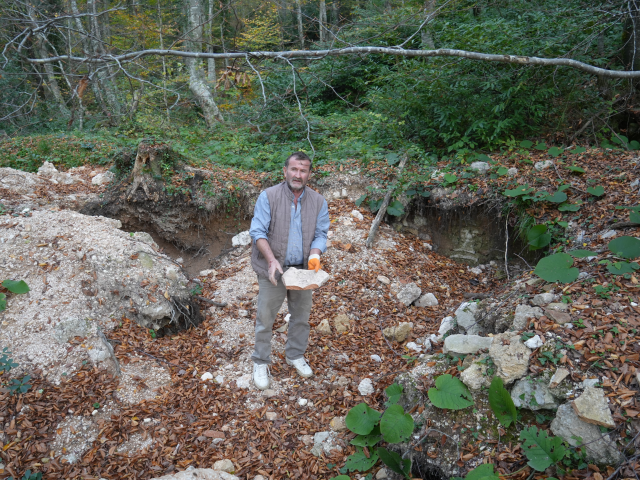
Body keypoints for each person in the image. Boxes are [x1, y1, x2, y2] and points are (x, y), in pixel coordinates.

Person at [249, 151, 330, 390]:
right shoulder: (268, 196)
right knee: (265, 317)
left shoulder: (319, 201)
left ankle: (295, 354)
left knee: (301, 317)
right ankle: (261, 361)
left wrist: (315, 254)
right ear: (285, 171)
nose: (298, 174)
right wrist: (271, 260)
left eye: (303, 170)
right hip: (272, 268)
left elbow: (321, 234)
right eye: (294, 169)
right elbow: (258, 232)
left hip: (303, 270)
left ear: (309, 174)